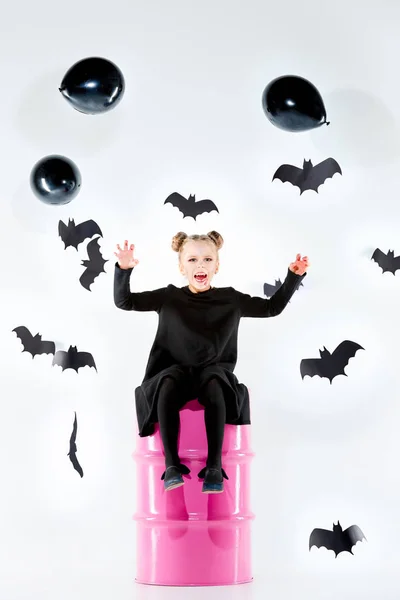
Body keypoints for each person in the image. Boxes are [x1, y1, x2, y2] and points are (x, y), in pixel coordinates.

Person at [114, 231, 309, 494]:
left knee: (216, 382)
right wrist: (124, 269)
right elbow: (124, 302)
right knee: (168, 383)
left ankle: (214, 467)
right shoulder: (168, 297)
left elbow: (271, 308)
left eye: (207, 259)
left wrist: (293, 276)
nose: (200, 265)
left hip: (212, 373)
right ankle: (172, 465)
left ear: (217, 265)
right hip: (173, 372)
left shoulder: (231, 299)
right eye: (193, 260)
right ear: (182, 266)